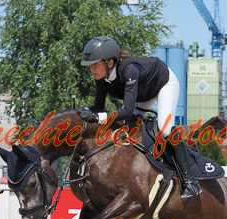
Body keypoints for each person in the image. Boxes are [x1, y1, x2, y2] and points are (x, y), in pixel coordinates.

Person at [79, 36, 201, 199]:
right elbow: (98, 107)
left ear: (110, 62)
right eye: (90, 65)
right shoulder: (102, 78)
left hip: (163, 83)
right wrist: (82, 113)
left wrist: (97, 116)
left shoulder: (130, 70)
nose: (91, 69)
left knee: (165, 129)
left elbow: (127, 111)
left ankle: (191, 181)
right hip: (143, 94)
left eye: (95, 64)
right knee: (129, 129)